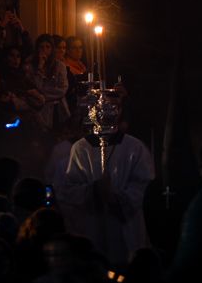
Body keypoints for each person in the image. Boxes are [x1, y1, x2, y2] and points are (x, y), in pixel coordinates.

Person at [57, 89, 153, 267]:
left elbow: (144, 185)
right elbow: (69, 189)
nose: (108, 112)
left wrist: (117, 199)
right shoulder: (81, 148)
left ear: (120, 110)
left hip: (125, 226)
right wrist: (94, 191)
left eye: (114, 107)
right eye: (104, 107)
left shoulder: (134, 147)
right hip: (94, 225)